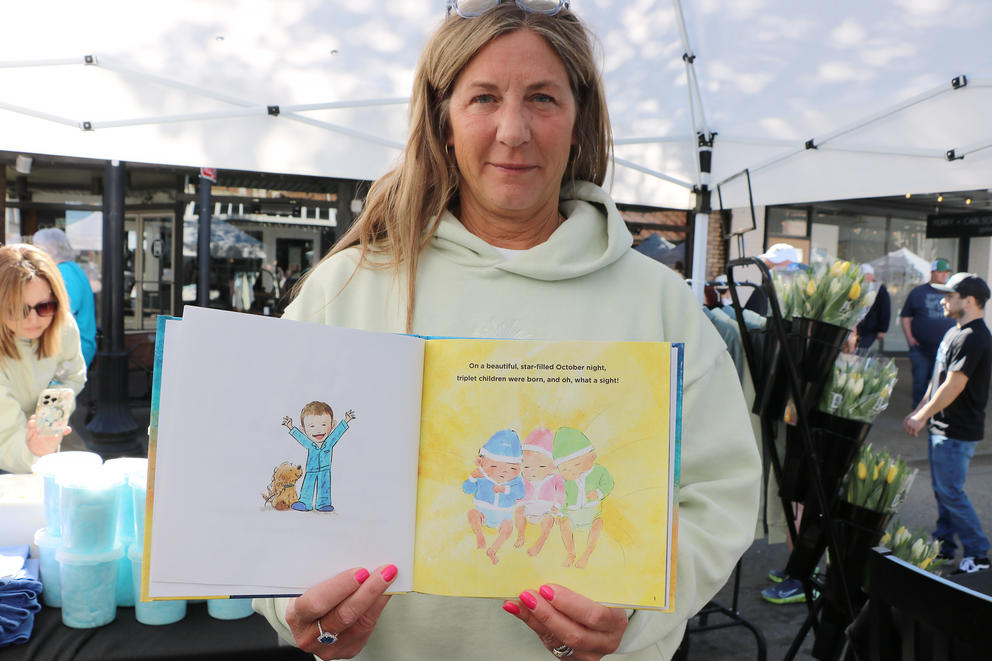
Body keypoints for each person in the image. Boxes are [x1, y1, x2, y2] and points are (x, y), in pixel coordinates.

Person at [254, 3, 761, 659]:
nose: (514, 130)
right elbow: (265, 484)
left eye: (543, 98)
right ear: (443, 119)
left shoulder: (658, 302)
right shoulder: (344, 288)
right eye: (484, 97)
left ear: (580, 120)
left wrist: (638, 613)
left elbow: (718, 496)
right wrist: (290, 607)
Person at [903, 272, 991, 574]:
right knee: (944, 490)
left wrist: (922, 414)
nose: (943, 300)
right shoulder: (954, 331)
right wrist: (920, 410)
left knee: (951, 491)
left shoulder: (974, 337)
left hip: (957, 430)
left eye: (949, 296)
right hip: (941, 427)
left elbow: (953, 386)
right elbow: (937, 379)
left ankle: (978, 555)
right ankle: (944, 547)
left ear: (969, 301)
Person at [0, 244, 87, 473]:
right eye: (17, 309)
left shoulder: (62, 324)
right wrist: (34, 448)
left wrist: (50, 413)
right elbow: (5, 435)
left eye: (45, 306)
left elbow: (73, 376)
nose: (33, 320)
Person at [31, 228, 97, 369]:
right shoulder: (72, 269)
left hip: (69, 354)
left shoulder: (64, 272)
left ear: (47, 250)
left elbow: (61, 313)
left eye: (36, 248)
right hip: (74, 351)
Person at [281, 401, 356, 512]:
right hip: (311, 470)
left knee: (324, 486)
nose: (319, 430)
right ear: (303, 429)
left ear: (332, 425)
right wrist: (290, 427)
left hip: (325, 469)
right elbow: (299, 437)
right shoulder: (309, 444)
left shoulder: (330, 442)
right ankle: (305, 503)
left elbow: (338, 433)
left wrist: (346, 420)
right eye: (312, 426)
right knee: (308, 484)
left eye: (324, 424)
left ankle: (323, 504)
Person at [901, 259, 955, 408]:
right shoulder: (918, 292)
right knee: (920, 383)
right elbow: (906, 316)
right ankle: (917, 413)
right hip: (920, 349)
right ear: (932, 272)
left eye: (947, 272)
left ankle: (935, 414)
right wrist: (910, 338)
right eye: (941, 272)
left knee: (941, 383)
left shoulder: (952, 292)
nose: (944, 275)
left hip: (945, 350)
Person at [744, 243, 803, 315]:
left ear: (792, 265)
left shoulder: (804, 295)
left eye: (775, 264)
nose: (770, 271)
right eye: (768, 267)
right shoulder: (763, 291)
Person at [854, 264, 890, 352]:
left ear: (871, 275)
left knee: (861, 351)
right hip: (855, 327)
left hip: (870, 329)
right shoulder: (857, 286)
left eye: (865, 275)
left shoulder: (880, 289)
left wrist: (882, 329)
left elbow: (885, 310)